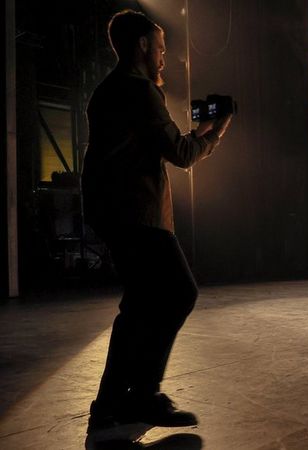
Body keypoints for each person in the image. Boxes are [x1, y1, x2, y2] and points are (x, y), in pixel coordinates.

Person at [81, 10, 232, 444]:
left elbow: (157, 143)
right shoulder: (140, 91)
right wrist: (214, 133)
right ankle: (130, 398)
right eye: (161, 48)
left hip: (118, 212)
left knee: (143, 305)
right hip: (136, 214)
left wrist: (194, 135)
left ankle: (122, 401)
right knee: (177, 293)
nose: (165, 57)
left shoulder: (109, 90)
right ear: (143, 46)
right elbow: (181, 154)